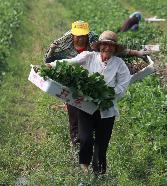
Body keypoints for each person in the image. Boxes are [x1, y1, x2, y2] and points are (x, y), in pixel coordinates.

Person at [44, 21, 150, 146]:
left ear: (87, 34)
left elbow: (112, 48)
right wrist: (50, 60)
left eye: (83, 35)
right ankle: (75, 136)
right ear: (72, 35)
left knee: (92, 106)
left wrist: (137, 53)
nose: (80, 38)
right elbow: (53, 60)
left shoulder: (94, 40)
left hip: (91, 76)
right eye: (77, 36)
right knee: (72, 103)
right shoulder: (63, 42)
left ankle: (89, 134)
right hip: (74, 76)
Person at [48, 31, 131, 175]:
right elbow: (68, 62)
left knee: (101, 144)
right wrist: (51, 66)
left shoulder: (119, 64)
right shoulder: (89, 57)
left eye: (111, 46)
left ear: (115, 48)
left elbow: (123, 87)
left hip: (107, 110)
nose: (107, 48)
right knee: (85, 139)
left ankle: (98, 174)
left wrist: (106, 93)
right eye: (105, 44)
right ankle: (85, 168)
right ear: (99, 46)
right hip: (86, 106)